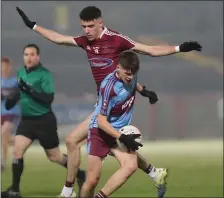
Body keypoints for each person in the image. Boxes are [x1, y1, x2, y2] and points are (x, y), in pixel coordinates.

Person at [16, 6, 202, 198]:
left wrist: (180, 48)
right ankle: (155, 173)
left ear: (100, 23)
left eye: (90, 25)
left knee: (75, 141)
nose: (86, 30)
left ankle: (67, 192)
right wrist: (33, 26)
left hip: (111, 105)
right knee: (111, 147)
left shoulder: (116, 39)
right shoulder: (85, 42)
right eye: (83, 26)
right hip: (106, 100)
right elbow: (58, 38)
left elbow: (149, 50)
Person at [1, 44, 85, 198]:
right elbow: (20, 93)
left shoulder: (44, 74)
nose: (29, 57)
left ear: (38, 57)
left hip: (44, 121)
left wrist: (30, 90)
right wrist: (11, 100)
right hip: (26, 121)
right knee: (17, 151)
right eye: (26, 54)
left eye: (32, 54)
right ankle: (14, 190)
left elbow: (48, 98)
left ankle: (79, 174)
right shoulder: (21, 73)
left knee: (55, 157)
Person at [81, 51, 143, 198]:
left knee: (131, 165)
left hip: (118, 132)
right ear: (118, 68)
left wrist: (144, 91)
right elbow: (101, 121)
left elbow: (134, 82)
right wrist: (122, 137)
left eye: (134, 73)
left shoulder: (131, 74)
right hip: (101, 132)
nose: (131, 77)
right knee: (91, 181)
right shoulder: (108, 88)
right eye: (127, 73)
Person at [1, 57, 20, 171]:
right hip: (1, 113)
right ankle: (21, 141)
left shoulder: (15, 82)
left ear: (10, 67)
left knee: (4, 132)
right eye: (2, 66)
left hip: (12, 112)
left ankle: (3, 162)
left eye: (6, 66)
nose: (4, 68)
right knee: (6, 137)